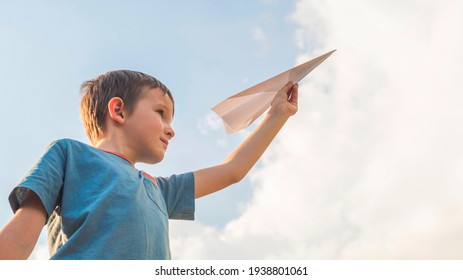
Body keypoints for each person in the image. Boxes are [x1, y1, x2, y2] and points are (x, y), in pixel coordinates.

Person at [0, 70, 298, 259]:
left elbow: (231, 171)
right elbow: (22, 234)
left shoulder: (158, 189)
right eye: (161, 113)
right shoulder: (69, 154)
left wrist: (277, 115)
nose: (171, 129)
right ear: (118, 110)